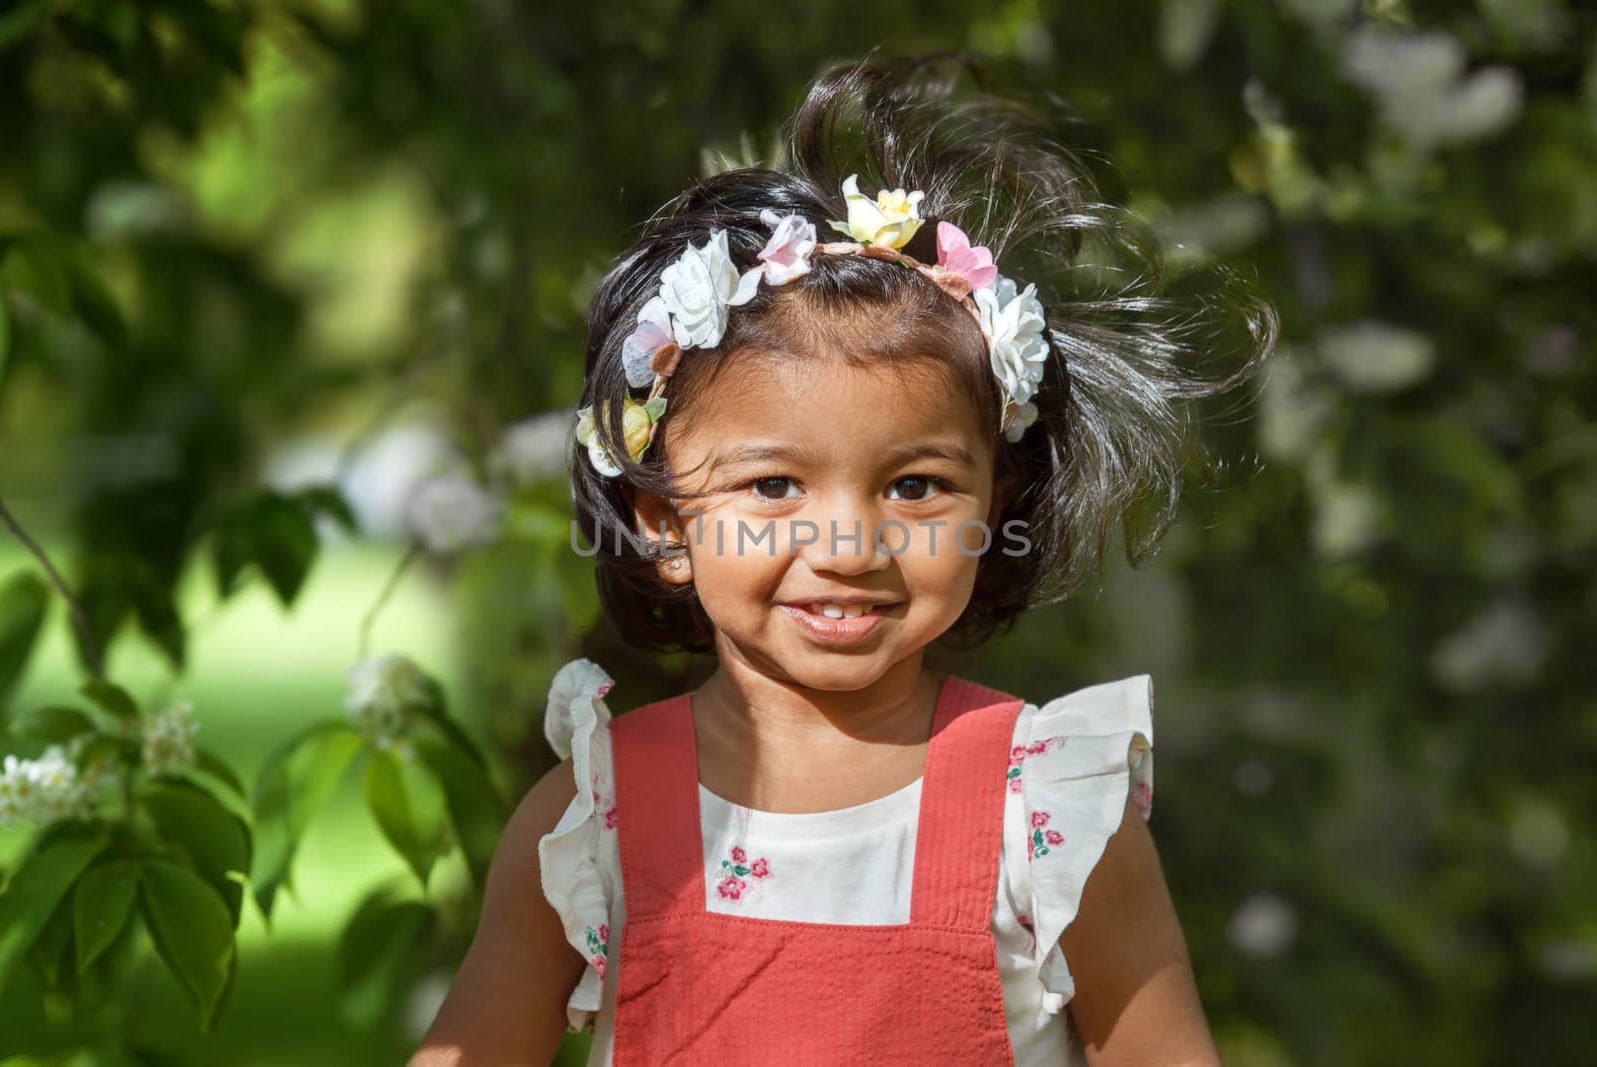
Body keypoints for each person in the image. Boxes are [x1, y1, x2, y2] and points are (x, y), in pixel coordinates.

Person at [414, 50, 1277, 1066]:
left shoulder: (1046, 812)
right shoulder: (590, 816)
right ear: (662, 521)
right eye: (774, 486)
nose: (847, 544)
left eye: (914, 486)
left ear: (994, 501)